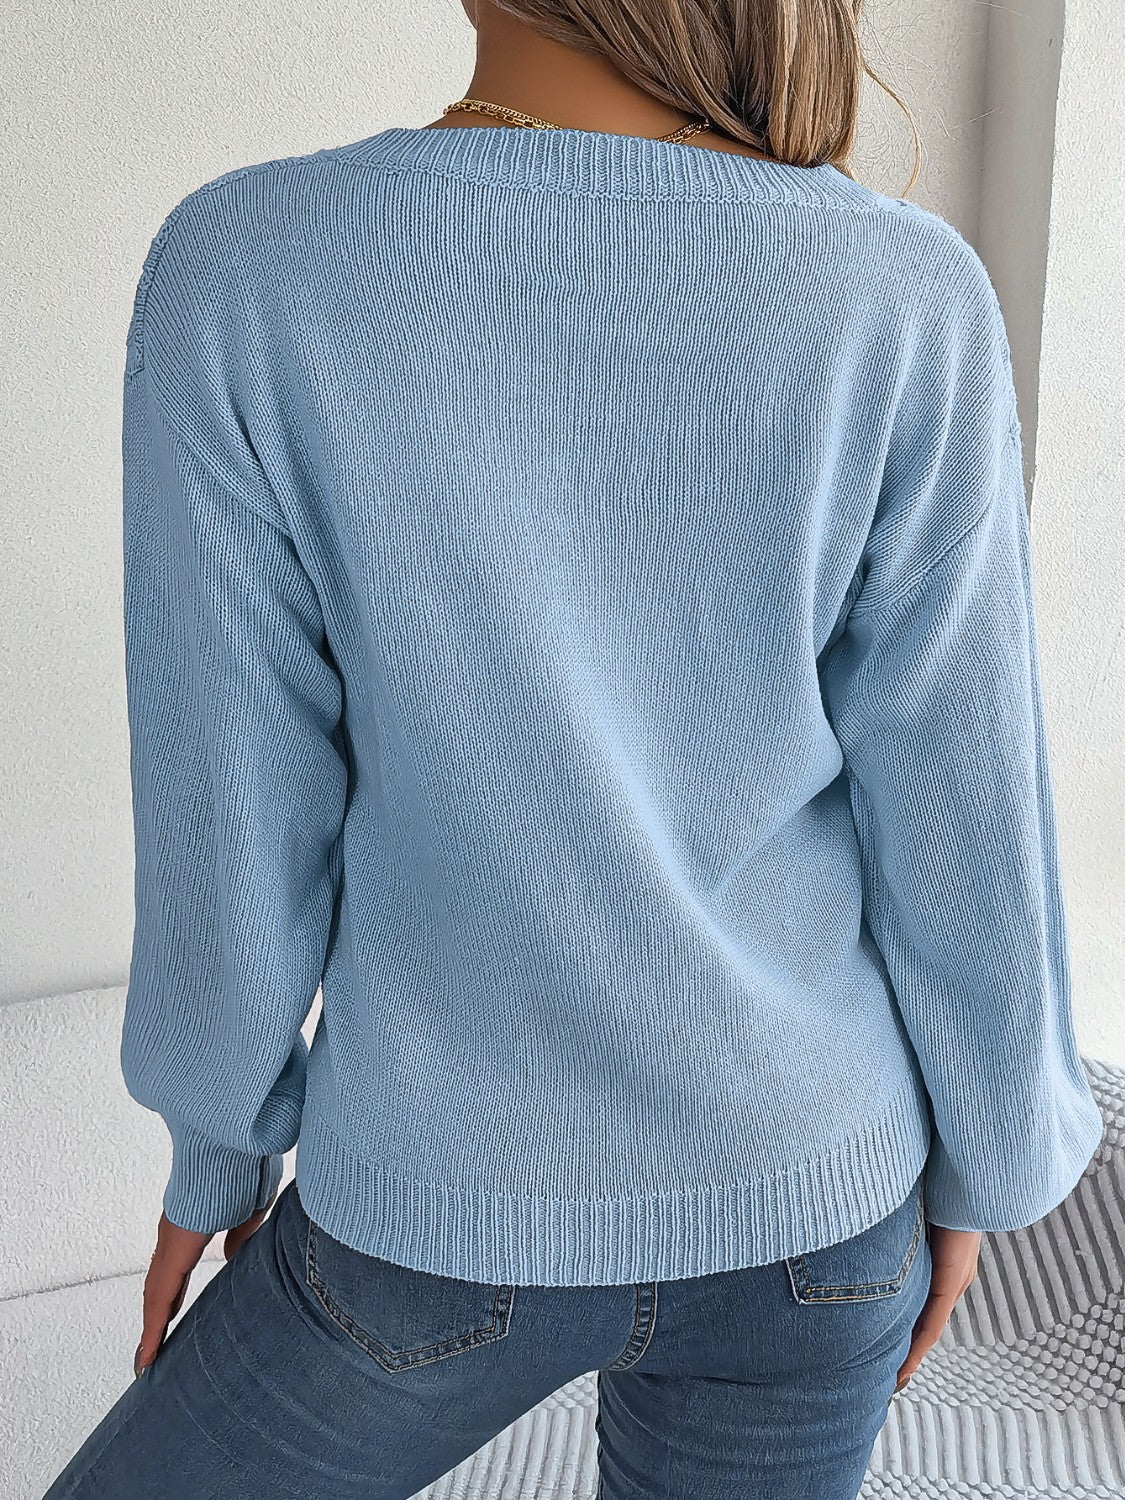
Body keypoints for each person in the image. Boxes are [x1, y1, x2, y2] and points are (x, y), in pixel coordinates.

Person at [44, 0, 1105, 1496]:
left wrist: (217, 1151)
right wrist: (986, 1165)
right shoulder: (902, 289)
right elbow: (962, 804)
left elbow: (234, 802)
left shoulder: (249, 265)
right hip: (818, 1212)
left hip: (436, 1201)